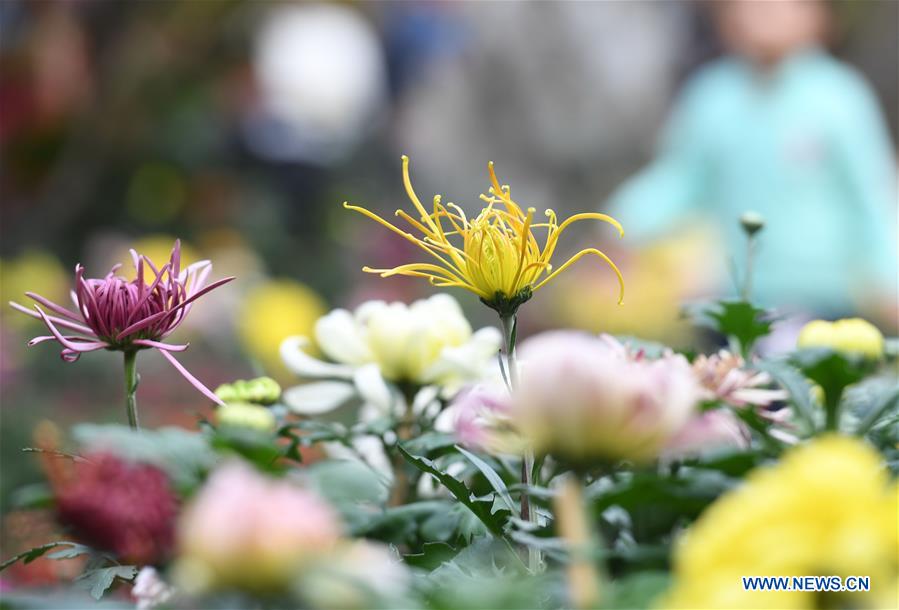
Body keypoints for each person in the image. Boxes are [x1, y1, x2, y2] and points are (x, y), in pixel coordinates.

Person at [607, 0, 897, 323]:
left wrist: (890, 276)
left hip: (823, 297)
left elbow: (872, 194)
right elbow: (678, 180)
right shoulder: (712, 97)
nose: (762, 14)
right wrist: (620, 226)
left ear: (817, 16)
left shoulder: (838, 98)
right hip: (734, 298)